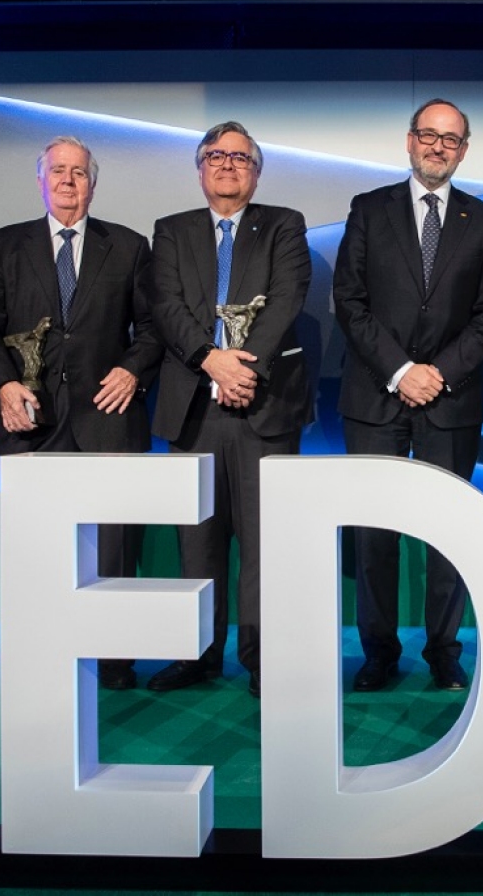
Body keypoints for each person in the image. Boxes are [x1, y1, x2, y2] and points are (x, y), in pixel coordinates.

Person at [0, 136, 161, 691]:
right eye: (58, 171)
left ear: (92, 184)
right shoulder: (4, 246)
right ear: (41, 180)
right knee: (36, 547)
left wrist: (132, 370)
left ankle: (115, 657)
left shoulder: (127, 246)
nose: (68, 181)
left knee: (115, 545)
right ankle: (38, 652)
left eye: (79, 172)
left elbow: (151, 330)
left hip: (108, 415)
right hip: (31, 418)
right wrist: (3, 386)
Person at [333, 98, 483, 692]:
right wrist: (401, 369)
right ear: (409, 142)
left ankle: (443, 650)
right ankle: (378, 651)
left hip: (451, 398)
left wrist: (437, 373)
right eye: (428, 136)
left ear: (463, 150)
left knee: (449, 532)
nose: (438, 147)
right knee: (374, 534)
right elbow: (349, 302)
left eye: (451, 139)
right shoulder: (368, 209)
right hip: (377, 396)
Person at [149, 122, 311, 700]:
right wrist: (210, 360)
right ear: (199, 169)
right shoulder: (171, 231)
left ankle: (263, 657)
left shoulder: (284, 226)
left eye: (240, 157)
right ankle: (199, 654)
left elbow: (289, 297)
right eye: (215, 156)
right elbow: (166, 306)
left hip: (263, 404)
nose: (227, 165)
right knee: (198, 542)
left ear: (256, 171)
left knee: (267, 544)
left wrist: (244, 367)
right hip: (192, 406)